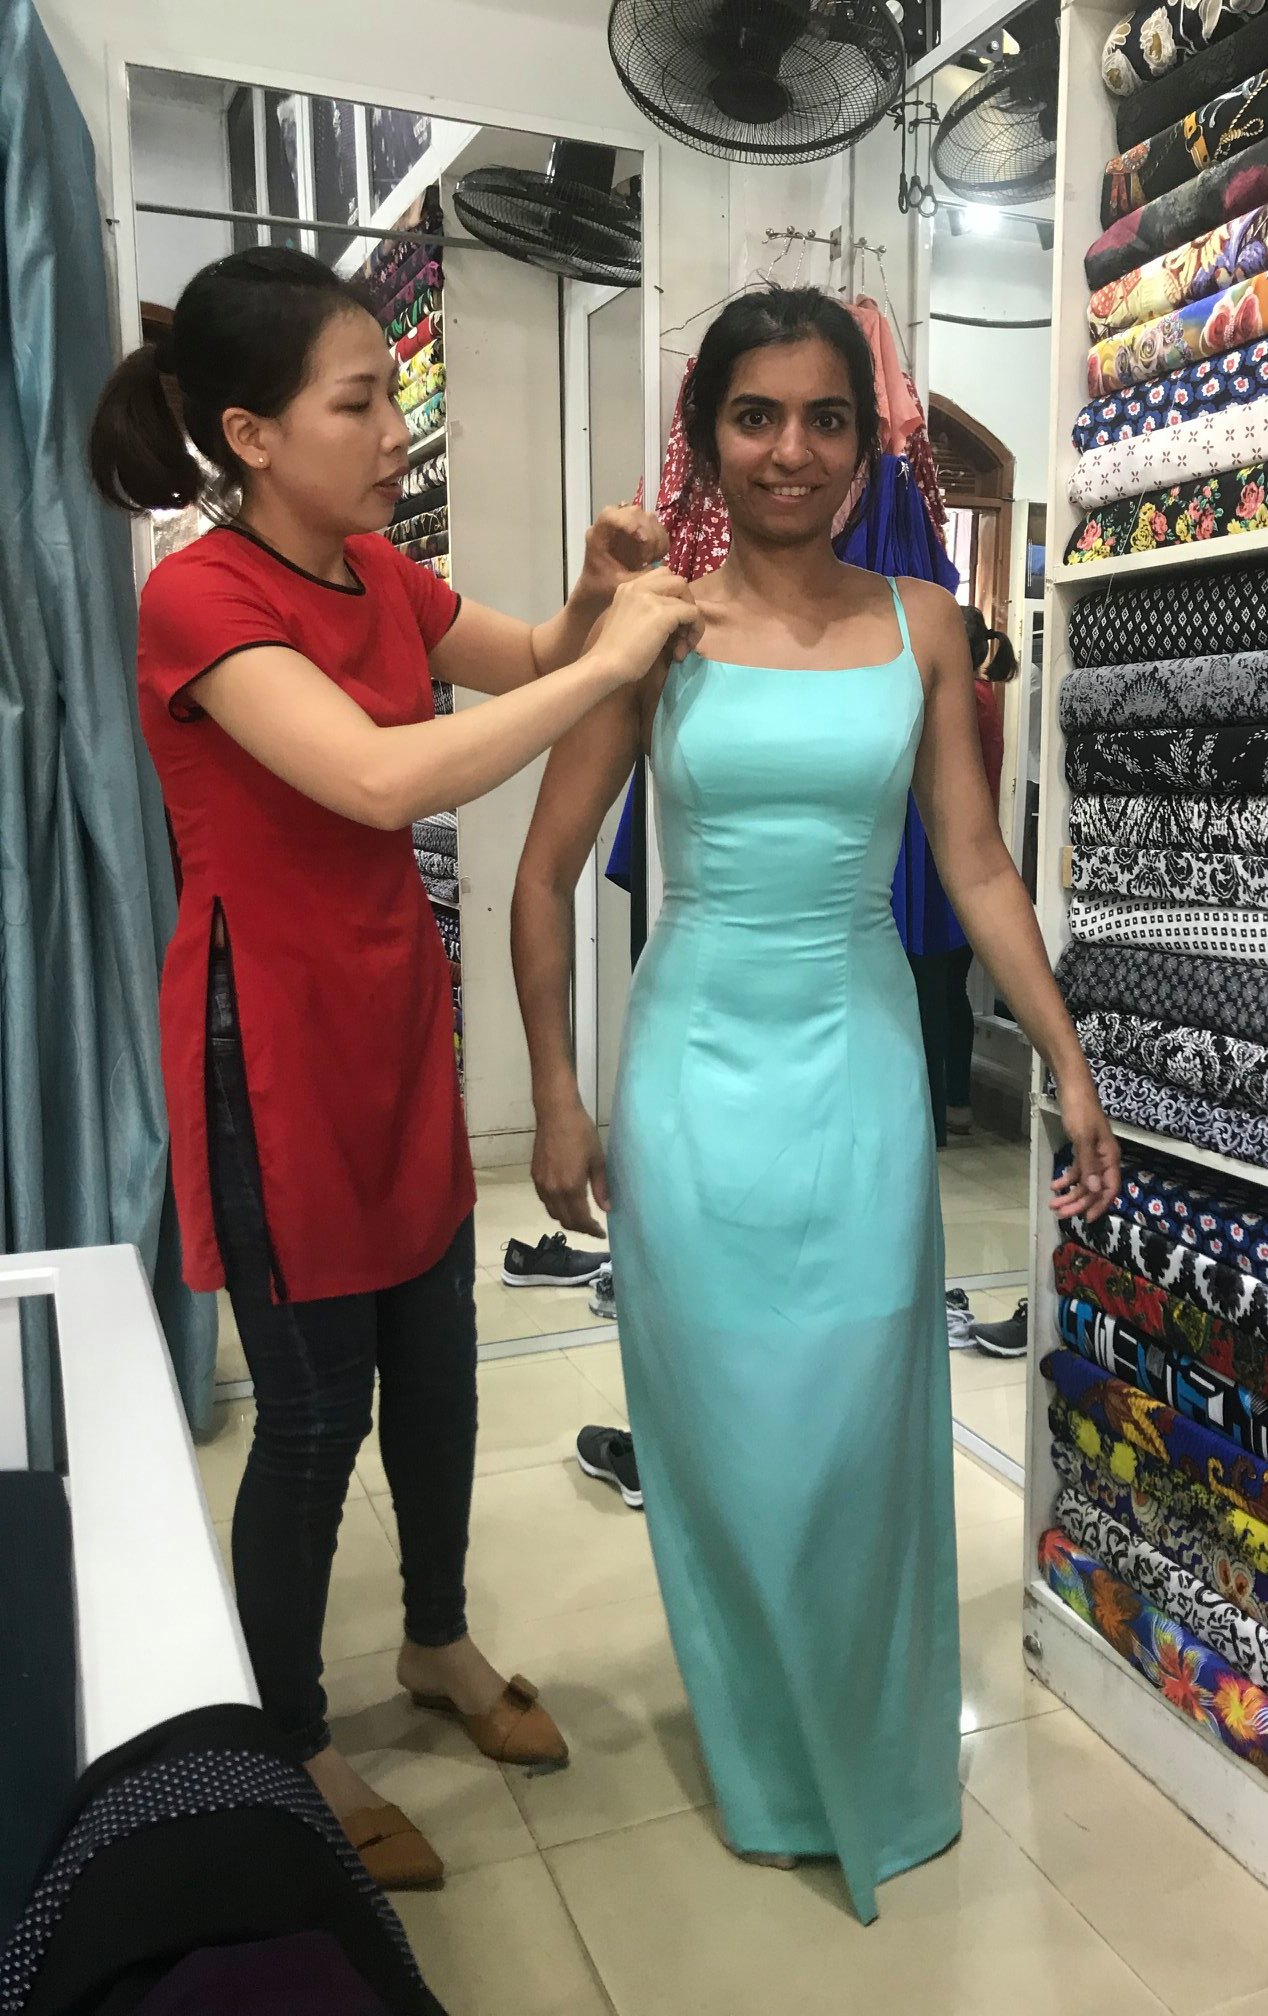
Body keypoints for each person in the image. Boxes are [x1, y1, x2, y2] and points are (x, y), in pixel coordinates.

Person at [89, 246, 699, 1891]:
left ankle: (435, 1639)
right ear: (251, 434)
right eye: (358, 404)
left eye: (388, 399)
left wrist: (590, 600)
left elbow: (522, 658)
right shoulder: (200, 599)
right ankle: (289, 1732)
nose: (391, 432)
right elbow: (376, 777)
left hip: (390, 1017)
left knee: (441, 1368)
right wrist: (611, 666)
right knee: (309, 1416)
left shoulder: (381, 574)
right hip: (268, 1043)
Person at [511, 286, 1119, 1923]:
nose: (791, 449)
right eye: (756, 416)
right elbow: (545, 871)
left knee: (855, 1425)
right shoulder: (654, 628)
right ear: (709, 434)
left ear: (868, 443)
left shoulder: (928, 624)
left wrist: (1066, 1063)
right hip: (695, 1070)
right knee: (720, 1429)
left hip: (856, 1065)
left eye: (825, 418)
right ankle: (766, 1752)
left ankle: (870, 1747)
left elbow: (976, 866)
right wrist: (559, 1096)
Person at [940, 607, 1015, 1139]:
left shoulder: (969, 699)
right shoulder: (983, 696)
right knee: (950, 988)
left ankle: (951, 1101)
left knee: (939, 986)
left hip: (957, 853)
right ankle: (957, 1101)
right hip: (971, 845)